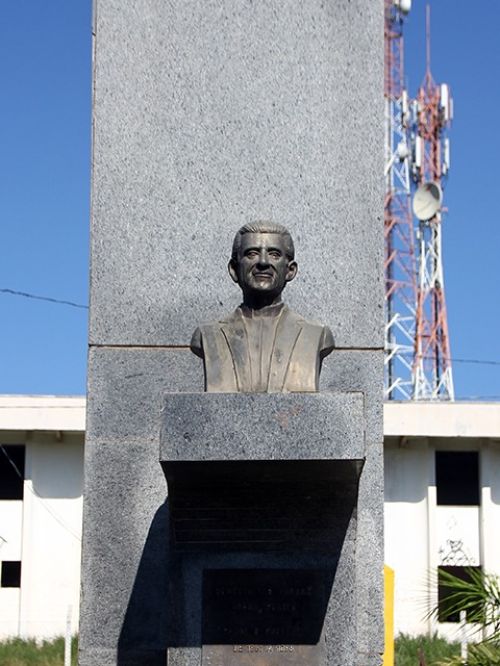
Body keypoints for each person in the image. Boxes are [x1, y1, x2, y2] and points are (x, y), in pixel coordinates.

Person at [190, 221, 334, 392]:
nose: (263, 262)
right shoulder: (208, 337)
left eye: (274, 254)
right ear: (234, 270)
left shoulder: (316, 335)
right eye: (252, 254)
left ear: (291, 270)